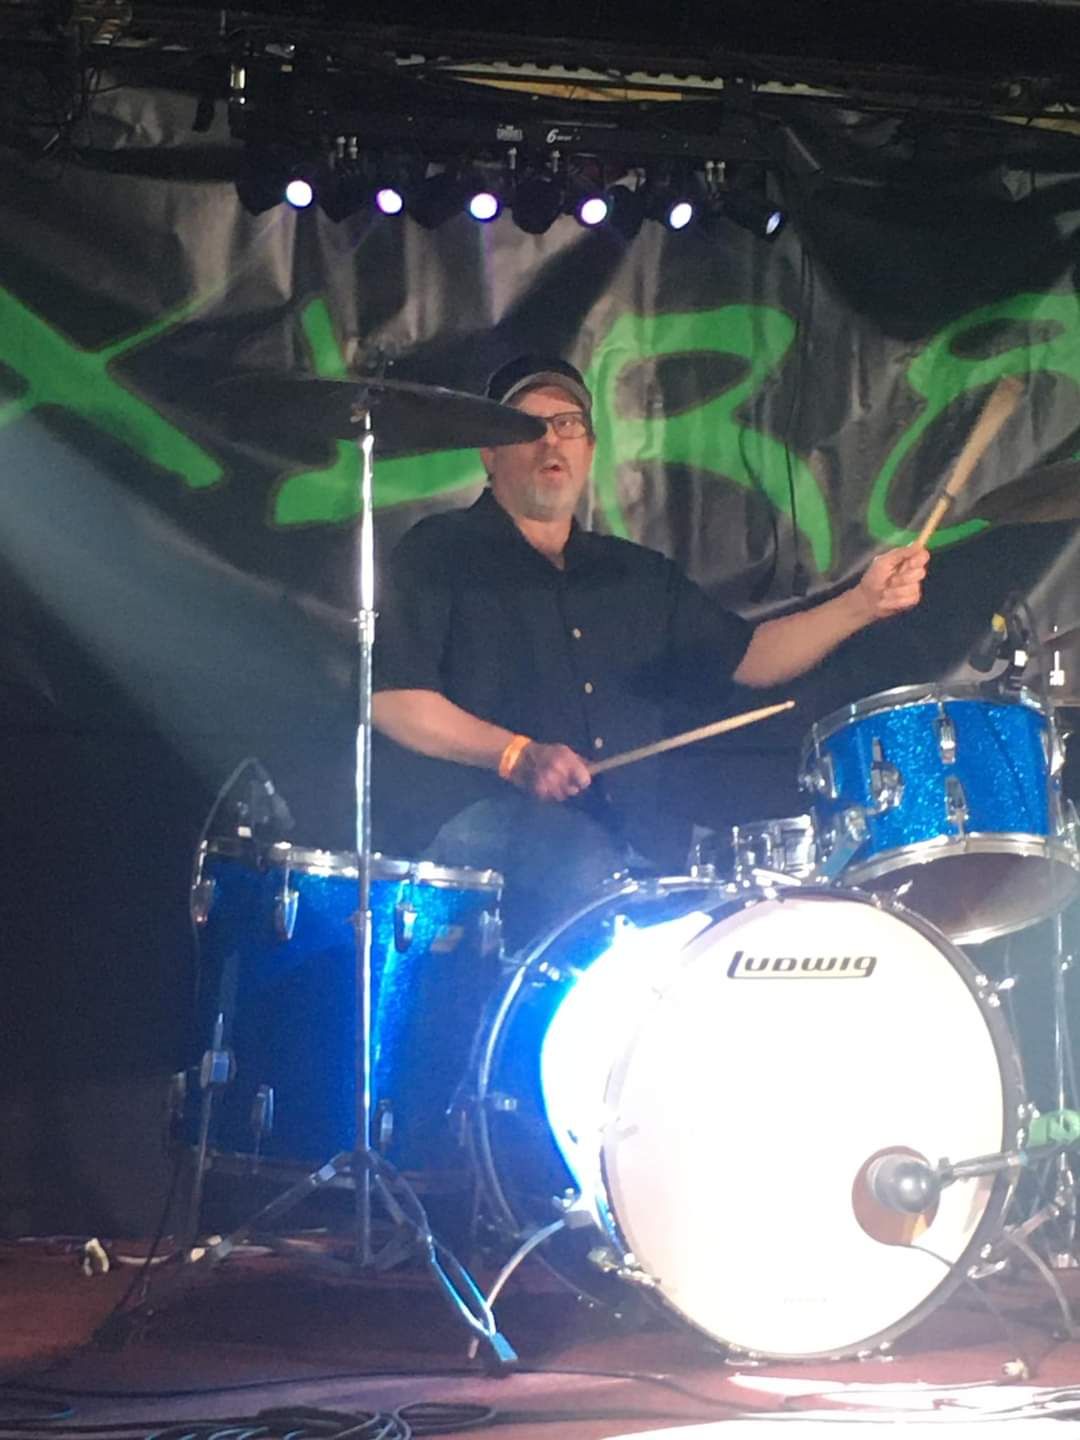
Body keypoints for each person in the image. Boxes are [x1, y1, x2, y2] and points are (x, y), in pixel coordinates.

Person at [372, 355, 927, 948]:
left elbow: (751, 657)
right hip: (485, 831)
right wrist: (515, 755)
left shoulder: (635, 575)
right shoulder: (440, 552)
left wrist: (862, 604)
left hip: (631, 840)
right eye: (527, 426)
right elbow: (392, 701)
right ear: (489, 452)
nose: (550, 441)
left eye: (568, 424)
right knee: (585, 866)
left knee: (743, 911)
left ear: (589, 449)